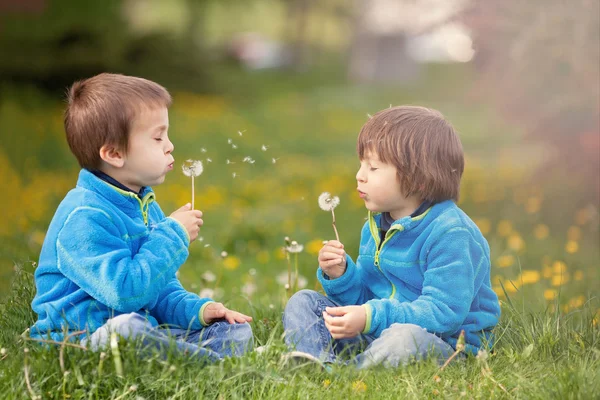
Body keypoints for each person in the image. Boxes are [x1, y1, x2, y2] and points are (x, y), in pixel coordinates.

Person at [29, 73, 253, 362]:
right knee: (127, 330)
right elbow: (126, 293)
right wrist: (172, 236)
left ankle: (193, 358)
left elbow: (157, 292)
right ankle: (205, 362)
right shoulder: (84, 217)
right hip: (81, 340)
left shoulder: (143, 204)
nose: (169, 145)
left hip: (142, 326)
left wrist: (201, 311)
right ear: (113, 153)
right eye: (158, 137)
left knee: (234, 330)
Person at [283, 106, 500, 369]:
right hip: (378, 333)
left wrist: (370, 316)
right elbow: (366, 298)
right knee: (304, 301)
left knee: (403, 338)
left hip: (445, 343)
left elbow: (444, 313)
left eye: (373, 167)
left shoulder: (451, 233)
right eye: (362, 164)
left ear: (419, 180)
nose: (359, 175)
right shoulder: (377, 225)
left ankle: (346, 376)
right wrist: (341, 276)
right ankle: (314, 362)